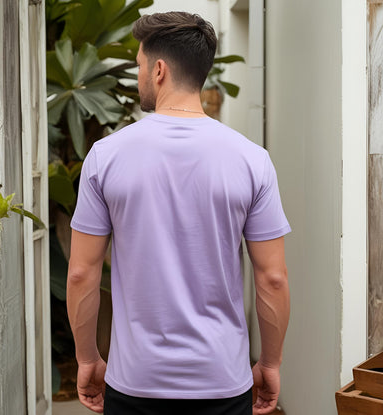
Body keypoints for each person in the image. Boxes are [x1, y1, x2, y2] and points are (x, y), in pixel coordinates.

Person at [67, 11, 290, 415]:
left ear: (159, 71)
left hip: (135, 384)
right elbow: (272, 279)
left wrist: (87, 359)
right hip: (222, 383)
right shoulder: (252, 160)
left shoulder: (105, 157)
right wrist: (270, 364)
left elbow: (82, 274)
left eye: (139, 65)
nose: (139, 76)